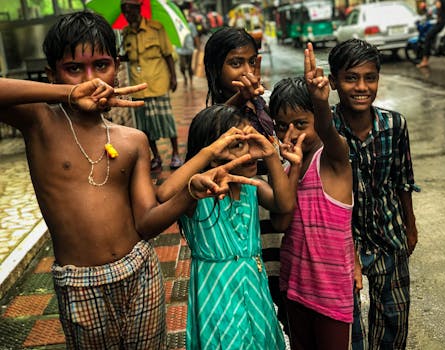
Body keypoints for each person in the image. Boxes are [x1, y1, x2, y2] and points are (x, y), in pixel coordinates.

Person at [0, 11, 260, 349]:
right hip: (80, 283)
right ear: (53, 74)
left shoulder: (132, 139)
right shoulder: (40, 124)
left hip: (140, 271)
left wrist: (189, 194)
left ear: (117, 67)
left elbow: (147, 222)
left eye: (101, 65)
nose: (91, 80)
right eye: (74, 68)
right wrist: (65, 94)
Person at [157, 104, 304, 349]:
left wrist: (270, 155)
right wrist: (207, 154)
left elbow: (284, 203)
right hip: (217, 296)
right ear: (213, 152)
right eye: (236, 145)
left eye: (248, 142)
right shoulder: (197, 193)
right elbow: (164, 193)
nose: (248, 152)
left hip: (254, 291)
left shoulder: (251, 185)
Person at [328, 38, 420, 349]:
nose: (361, 87)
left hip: (388, 235)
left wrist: (410, 225)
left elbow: (402, 180)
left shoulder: (394, 125)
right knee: (346, 325)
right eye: (350, 78)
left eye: (370, 77)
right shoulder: (326, 128)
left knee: (393, 319)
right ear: (333, 82)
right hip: (343, 242)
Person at [269, 43, 355, 350]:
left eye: (301, 124)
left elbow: (330, 133)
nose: (291, 133)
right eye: (281, 126)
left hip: (331, 293)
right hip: (294, 286)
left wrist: (321, 105)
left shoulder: (334, 159)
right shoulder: (284, 166)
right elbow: (280, 221)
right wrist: (288, 168)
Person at [203, 26, 287, 321]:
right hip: (246, 220)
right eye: (236, 63)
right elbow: (218, 127)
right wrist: (239, 99)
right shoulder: (215, 114)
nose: (247, 70)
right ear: (215, 68)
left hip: (273, 209)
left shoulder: (260, 104)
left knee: (278, 289)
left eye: (252, 62)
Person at [120, 0, 183, 172]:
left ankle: (176, 154)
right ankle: (156, 156)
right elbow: (129, 56)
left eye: (130, 11)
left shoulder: (157, 28)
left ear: (138, 9)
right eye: (124, 12)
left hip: (157, 82)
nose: (127, 15)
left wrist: (174, 77)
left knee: (166, 120)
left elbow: (168, 54)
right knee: (145, 125)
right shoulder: (126, 33)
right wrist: (119, 58)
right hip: (138, 85)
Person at [176, 13, 198, 88]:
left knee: (190, 67)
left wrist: (197, 47)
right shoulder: (177, 25)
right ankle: (185, 78)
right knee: (182, 66)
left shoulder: (191, 25)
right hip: (180, 49)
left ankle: (191, 81)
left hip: (189, 48)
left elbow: (195, 35)